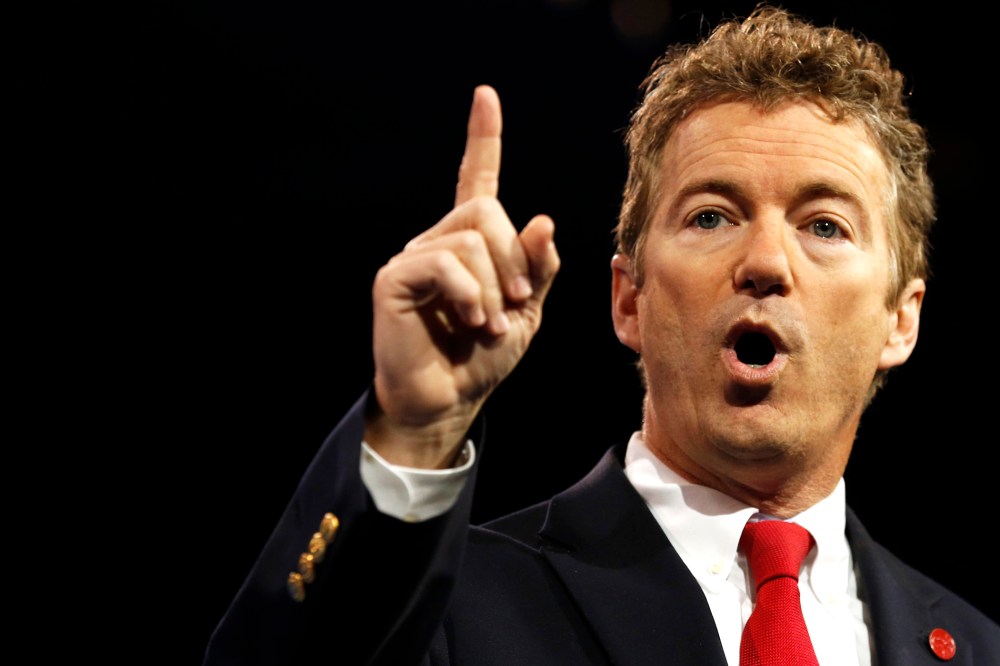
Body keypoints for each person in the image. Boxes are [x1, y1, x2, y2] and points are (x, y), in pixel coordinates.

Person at [203, 4, 999, 664]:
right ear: (629, 299)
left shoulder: (976, 646)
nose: (764, 262)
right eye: (711, 216)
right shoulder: (451, 609)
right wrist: (414, 431)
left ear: (902, 318)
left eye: (824, 225)